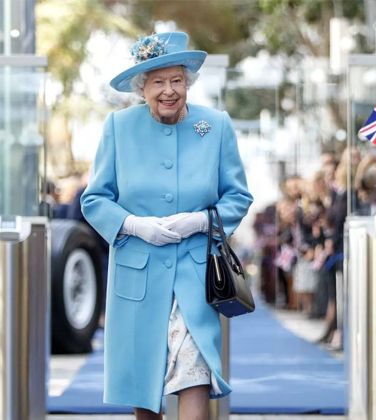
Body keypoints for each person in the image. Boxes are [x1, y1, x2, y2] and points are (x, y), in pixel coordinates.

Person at [81, 32, 252, 419]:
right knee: (145, 384)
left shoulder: (216, 126)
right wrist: (134, 225)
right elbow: (93, 200)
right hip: (139, 277)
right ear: (143, 88)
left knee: (195, 372)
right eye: (158, 82)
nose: (168, 91)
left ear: (187, 82)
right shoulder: (118, 127)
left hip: (196, 274)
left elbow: (238, 197)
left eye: (176, 80)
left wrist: (201, 221)